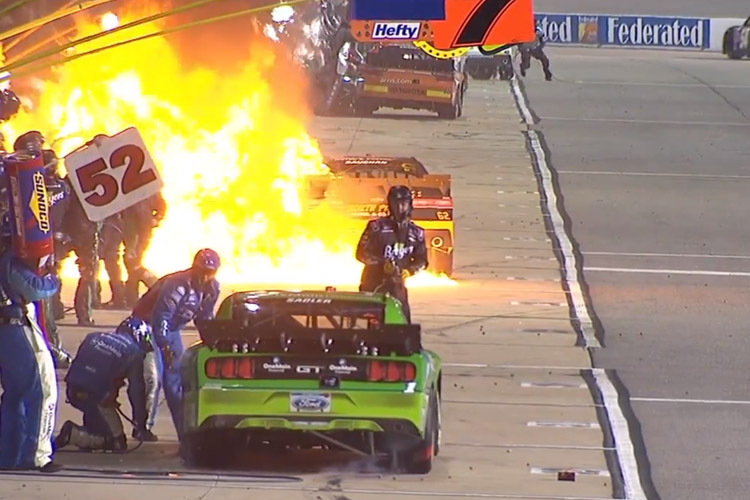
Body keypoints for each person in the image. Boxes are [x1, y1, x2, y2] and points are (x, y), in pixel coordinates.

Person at [129, 248, 221, 441]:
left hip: (171, 330)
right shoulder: (178, 285)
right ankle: (142, 427)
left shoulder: (212, 289)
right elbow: (160, 316)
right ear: (195, 268)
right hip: (145, 327)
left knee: (176, 382)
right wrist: (164, 346)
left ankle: (184, 433)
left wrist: (212, 341)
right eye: (202, 271)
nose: (205, 277)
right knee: (151, 378)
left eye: (210, 273)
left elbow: (205, 318)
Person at [0, 218, 62, 472]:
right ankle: (37, 455)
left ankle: (9, 455)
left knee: (15, 395)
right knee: (43, 390)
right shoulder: (10, 262)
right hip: (15, 327)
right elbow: (36, 289)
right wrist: (53, 278)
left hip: (7, 331)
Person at [54, 317, 153, 452]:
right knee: (118, 444)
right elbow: (136, 391)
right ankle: (74, 435)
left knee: (96, 413)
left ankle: (88, 434)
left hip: (72, 390)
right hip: (97, 397)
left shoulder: (93, 336)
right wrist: (140, 422)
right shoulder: (134, 353)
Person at [355, 185, 428, 322]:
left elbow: (422, 261)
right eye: (396, 204)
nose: (400, 208)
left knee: (402, 325)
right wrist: (381, 264)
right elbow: (361, 253)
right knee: (369, 326)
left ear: (410, 205)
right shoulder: (376, 227)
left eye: (404, 204)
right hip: (373, 285)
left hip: (398, 288)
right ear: (390, 204)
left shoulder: (417, 233)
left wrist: (409, 271)